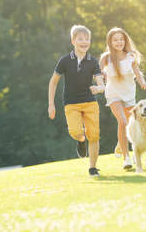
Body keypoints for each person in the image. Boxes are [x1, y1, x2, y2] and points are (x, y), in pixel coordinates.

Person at [48, 25, 105, 177]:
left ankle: (93, 168)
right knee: (75, 131)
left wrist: (99, 89)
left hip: (90, 103)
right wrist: (51, 105)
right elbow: (53, 82)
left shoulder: (93, 62)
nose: (84, 42)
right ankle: (80, 140)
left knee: (94, 135)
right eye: (80, 39)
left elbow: (101, 84)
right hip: (71, 104)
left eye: (87, 39)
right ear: (73, 41)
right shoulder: (65, 61)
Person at [99, 27, 146, 169]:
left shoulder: (130, 56)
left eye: (121, 39)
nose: (119, 42)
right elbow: (98, 74)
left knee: (129, 124)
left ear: (125, 41)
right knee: (122, 121)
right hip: (113, 94)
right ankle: (126, 158)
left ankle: (120, 144)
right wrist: (100, 81)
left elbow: (137, 73)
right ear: (110, 42)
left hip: (128, 94)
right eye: (115, 40)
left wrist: (143, 83)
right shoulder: (106, 58)